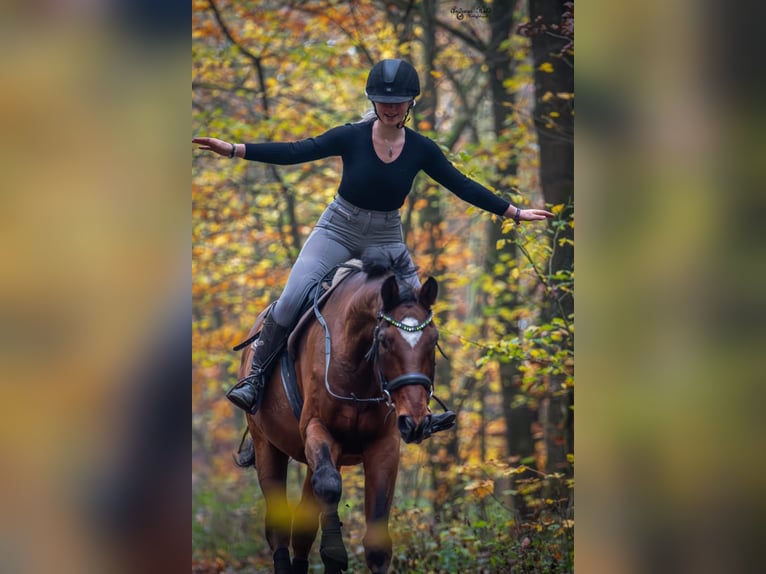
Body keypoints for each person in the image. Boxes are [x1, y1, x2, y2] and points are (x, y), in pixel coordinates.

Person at [193, 59, 553, 424]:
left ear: (411, 103)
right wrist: (235, 149)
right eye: (383, 99)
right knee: (289, 301)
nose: (391, 106)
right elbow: (295, 150)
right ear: (373, 100)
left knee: (415, 318)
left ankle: (423, 409)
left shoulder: (421, 149)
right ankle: (255, 380)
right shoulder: (352, 136)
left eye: (399, 100)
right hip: (337, 229)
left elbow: (461, 184)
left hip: (385, 237)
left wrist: (514, 212)